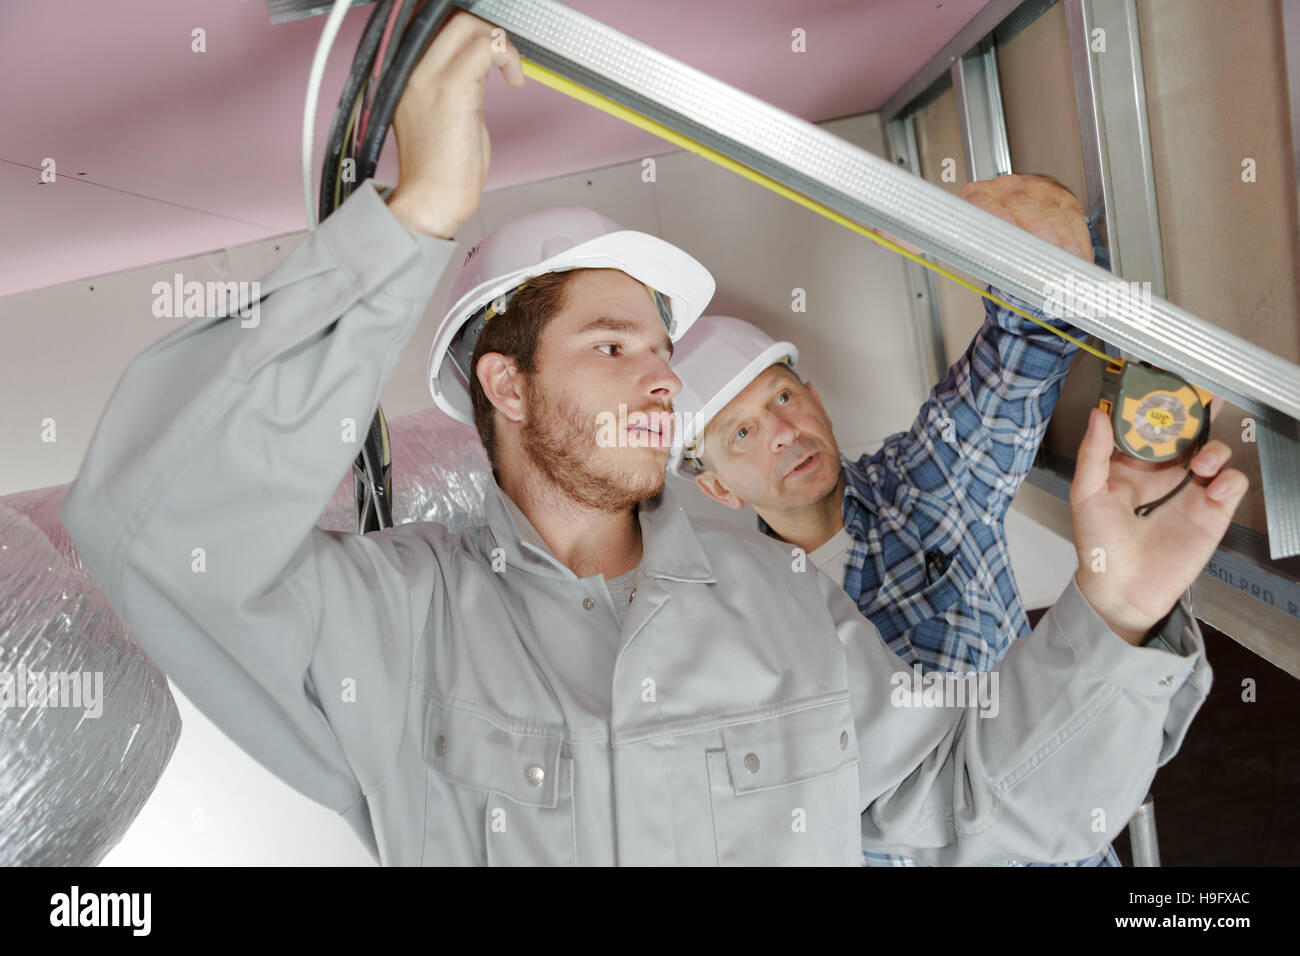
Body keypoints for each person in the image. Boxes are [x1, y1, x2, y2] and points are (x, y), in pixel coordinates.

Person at [60, 12, 1240, 865]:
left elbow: (974, 806)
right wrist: (410, 219)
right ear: (505, 385)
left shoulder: (784, 608)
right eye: (614, 344)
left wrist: (1111, 615)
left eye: (663, 349)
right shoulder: (391, 620)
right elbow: (151, 531)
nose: (662, 373)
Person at [667, 175, 1135, 866]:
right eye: (740, 435)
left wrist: (1003, 237)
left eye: (784, 396)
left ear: (816, 399)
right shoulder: (740, 625)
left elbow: (1034, 332)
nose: (783, 433)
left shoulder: (925, 482)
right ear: (717, 488)